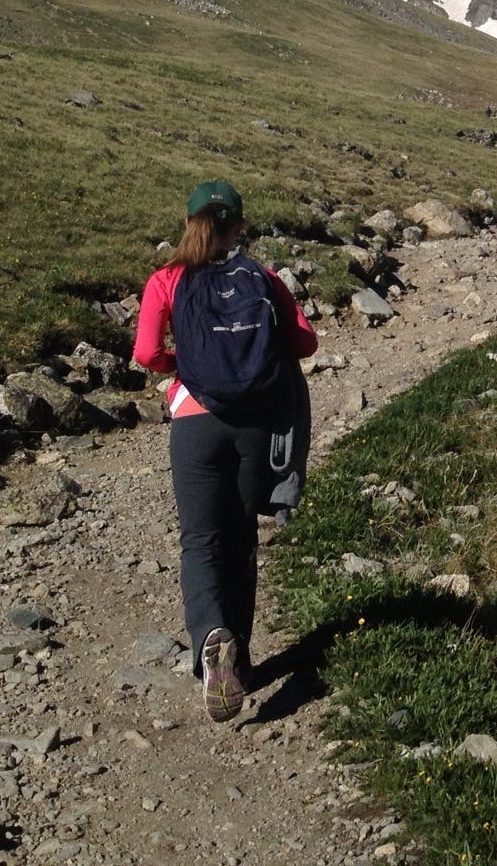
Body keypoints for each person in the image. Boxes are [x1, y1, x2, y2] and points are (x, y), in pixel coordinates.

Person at [132, 180, 315, 722]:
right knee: (241, 539)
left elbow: (145, 352)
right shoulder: (260, 276)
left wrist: (180, 365)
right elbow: (306, 343)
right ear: (237, 227)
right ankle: (243, 655)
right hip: (255, 426)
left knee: (200, 539)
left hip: (193, 423)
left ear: (188, 224)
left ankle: (210, 633)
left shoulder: (166, 280)